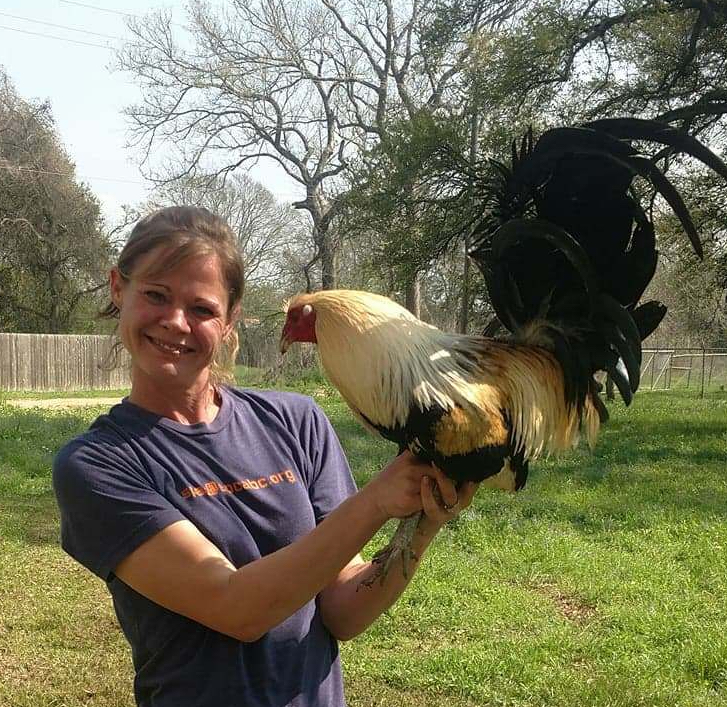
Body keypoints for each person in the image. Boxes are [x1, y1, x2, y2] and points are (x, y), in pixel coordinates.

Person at [52, 206, 476, 707]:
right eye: (156, 295)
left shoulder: (295, 421)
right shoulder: (98, 465)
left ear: (231, 321)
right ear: (118, 289)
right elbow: (238, 609)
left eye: (202, 309)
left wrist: (422, 525)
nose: (175, 322)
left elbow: (342, 611)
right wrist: (376, 501)